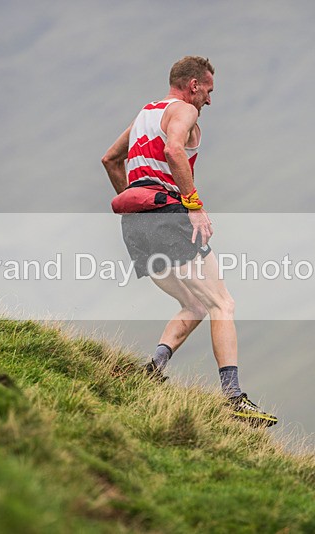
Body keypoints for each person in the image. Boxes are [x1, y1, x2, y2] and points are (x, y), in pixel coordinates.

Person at [101, 56, 277, 427]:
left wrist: (138, 205)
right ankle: (234, 398)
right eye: (209, 91)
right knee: (222, 303)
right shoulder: (184, 110)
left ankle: (151, 370)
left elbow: (110, 160)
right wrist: (193, 206)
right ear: (194, 85)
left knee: (194, 304)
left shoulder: (146, 114)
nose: (209, 100)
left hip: (136, 226)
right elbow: (174, 150)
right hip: (168, 216)